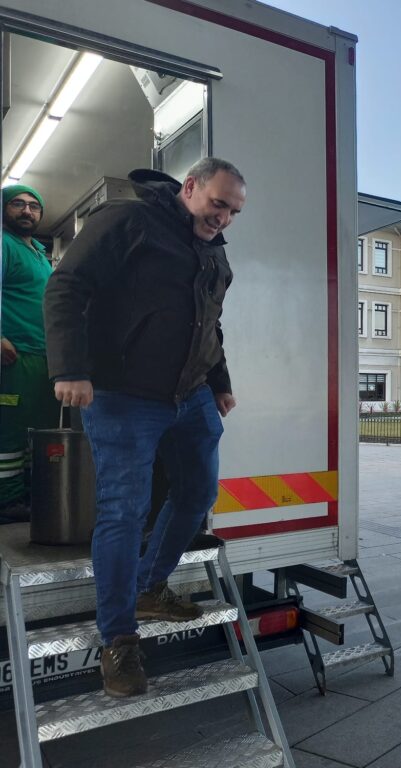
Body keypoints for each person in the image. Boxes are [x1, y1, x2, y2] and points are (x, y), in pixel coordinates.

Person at [44, 158, 246, 698]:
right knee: (124, 512)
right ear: (191, 187)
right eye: (218, 203)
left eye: (233, 211)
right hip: (122, 395)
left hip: (192, 395)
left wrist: (220, 382)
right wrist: (70, 368)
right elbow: (67, 287)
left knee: (198, 491)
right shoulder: (125, 221)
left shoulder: (212, 250)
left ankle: (148, 586)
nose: (224, 217)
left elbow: (210, 322)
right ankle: (119, 641)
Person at [0, 184, 60, 518]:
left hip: (42, 358)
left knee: (34, 431)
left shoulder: (37, 251)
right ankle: (6, 501)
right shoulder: (4, 244)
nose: (27, 211)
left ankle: (25, 496)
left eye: (34, 206)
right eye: (18, 204)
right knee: (10, 429)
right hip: (14, 356)